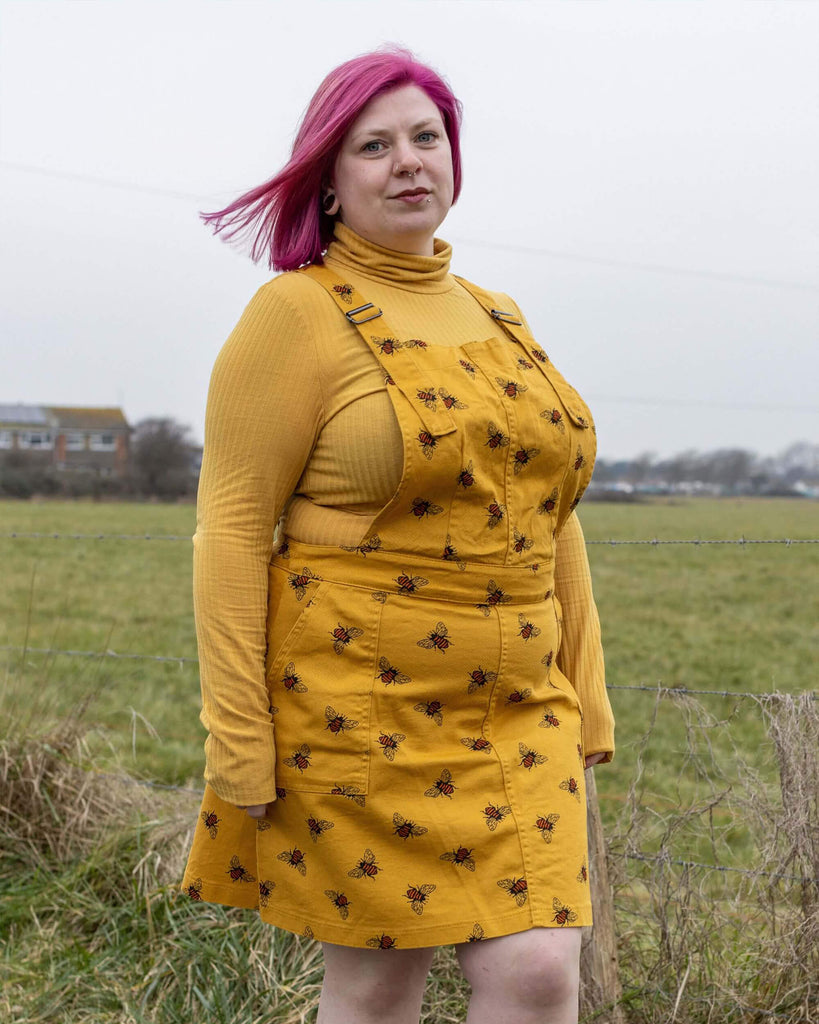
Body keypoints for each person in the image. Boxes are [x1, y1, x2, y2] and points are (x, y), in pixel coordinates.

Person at [182, 47, 615, 1024]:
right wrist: (240, 739)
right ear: (329, 184)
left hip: (518, 711)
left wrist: (587, 697)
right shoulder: (293, 316)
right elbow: (231, 533)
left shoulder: (502, 318)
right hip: (355, 710)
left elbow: (550, 517)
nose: (409, 161)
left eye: (427, 138)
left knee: (541, 972)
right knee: (378, 984)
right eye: (374, 146)